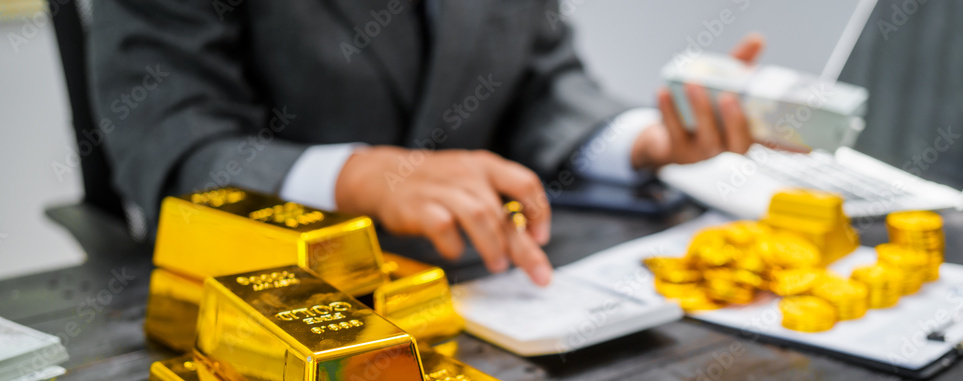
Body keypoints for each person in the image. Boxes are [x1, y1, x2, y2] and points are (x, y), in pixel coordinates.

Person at [89, 1, 763, 286]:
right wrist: (356, 176)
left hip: (490, 291)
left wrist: (643, 141)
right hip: (269, 315)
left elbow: (538, 79)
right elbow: (171, 139)